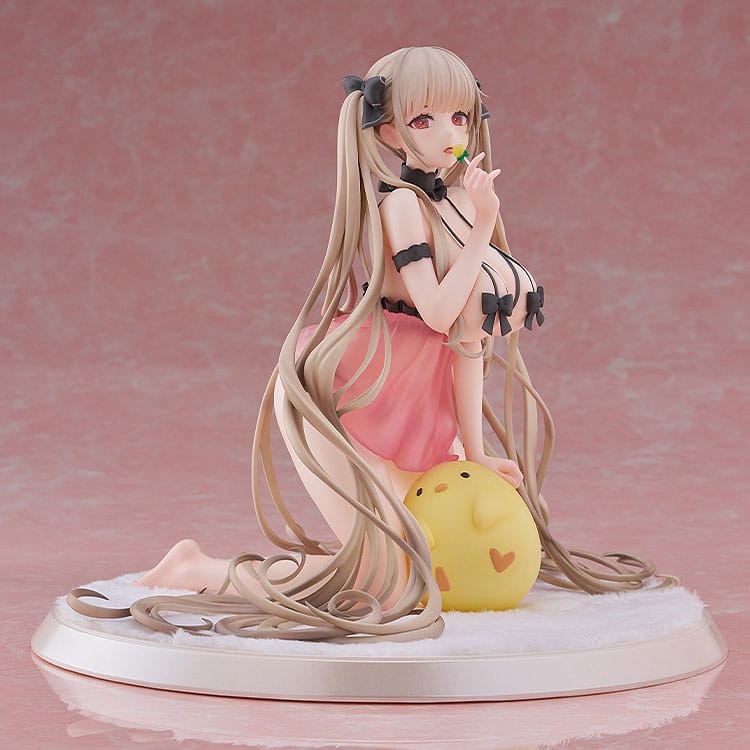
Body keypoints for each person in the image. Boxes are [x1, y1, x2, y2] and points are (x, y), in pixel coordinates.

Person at [72, 47, 663, 641]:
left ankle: (217, 568)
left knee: (413, 569)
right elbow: (438, 312)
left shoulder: (459, 203)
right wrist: (485, 226)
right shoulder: (402, 205)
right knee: (386, 580)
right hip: (356, 386)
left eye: (460, 117)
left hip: (420, 394)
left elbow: (467, 343)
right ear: (389, 131)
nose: (449, 134)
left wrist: (476, 452)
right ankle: (196, 571)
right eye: (424, 119)